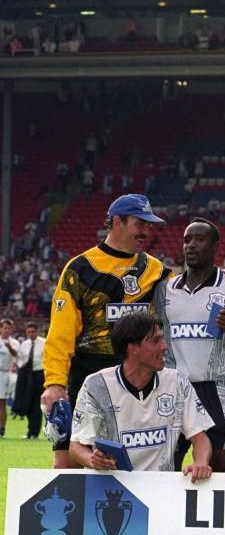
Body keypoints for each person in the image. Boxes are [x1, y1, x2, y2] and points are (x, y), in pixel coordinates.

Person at [42, 193, 172, 468]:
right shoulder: (80, 268)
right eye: (141, 224)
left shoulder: (157, 270)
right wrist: (54, 382)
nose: (147, 231)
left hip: (137, 379)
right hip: (87, 374)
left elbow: (189, 294)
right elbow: (60, 332)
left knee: (135, 464)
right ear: (117, 222)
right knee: (67, 463)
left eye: (150, 225)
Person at [156, 218, 225, 473]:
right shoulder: (164, 290)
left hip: (216, 390)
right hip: (174, 387)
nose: (191, 245)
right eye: (187, 239)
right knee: (165, 470)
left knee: (223, 470)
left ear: (216, 246)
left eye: (199, 239)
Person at [68, 312, 213, 481]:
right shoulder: (96, 385)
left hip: (161, 489)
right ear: (133, 348)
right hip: (113, 488)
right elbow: (76, 446)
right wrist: (92, 460)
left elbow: (200, 437)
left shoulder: (177, 381)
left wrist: (201, 461)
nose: (165, 346)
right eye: (156, 340)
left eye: (163, 339)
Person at [14, 322, 46, 439]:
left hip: (39, 375)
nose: (31, 334)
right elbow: (20, 359)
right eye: (29, 332)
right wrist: (21, 366)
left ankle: (34, 432)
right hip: (27, 375)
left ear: (37, 331)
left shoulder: (44, 343)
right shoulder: (24, 344)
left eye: (33, 331)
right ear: (26, 332)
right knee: (27, 402)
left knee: (37, 404)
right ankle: (30, 431)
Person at [0, 319, 18, 437]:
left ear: (11, 330)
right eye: (4, 328)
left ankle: (1, 430)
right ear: (0, 328)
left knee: (2, 403)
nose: (6, 330)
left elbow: (17, 355)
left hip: (4, 374)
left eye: (8, 328)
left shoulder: (14, 343)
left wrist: (9, 347)